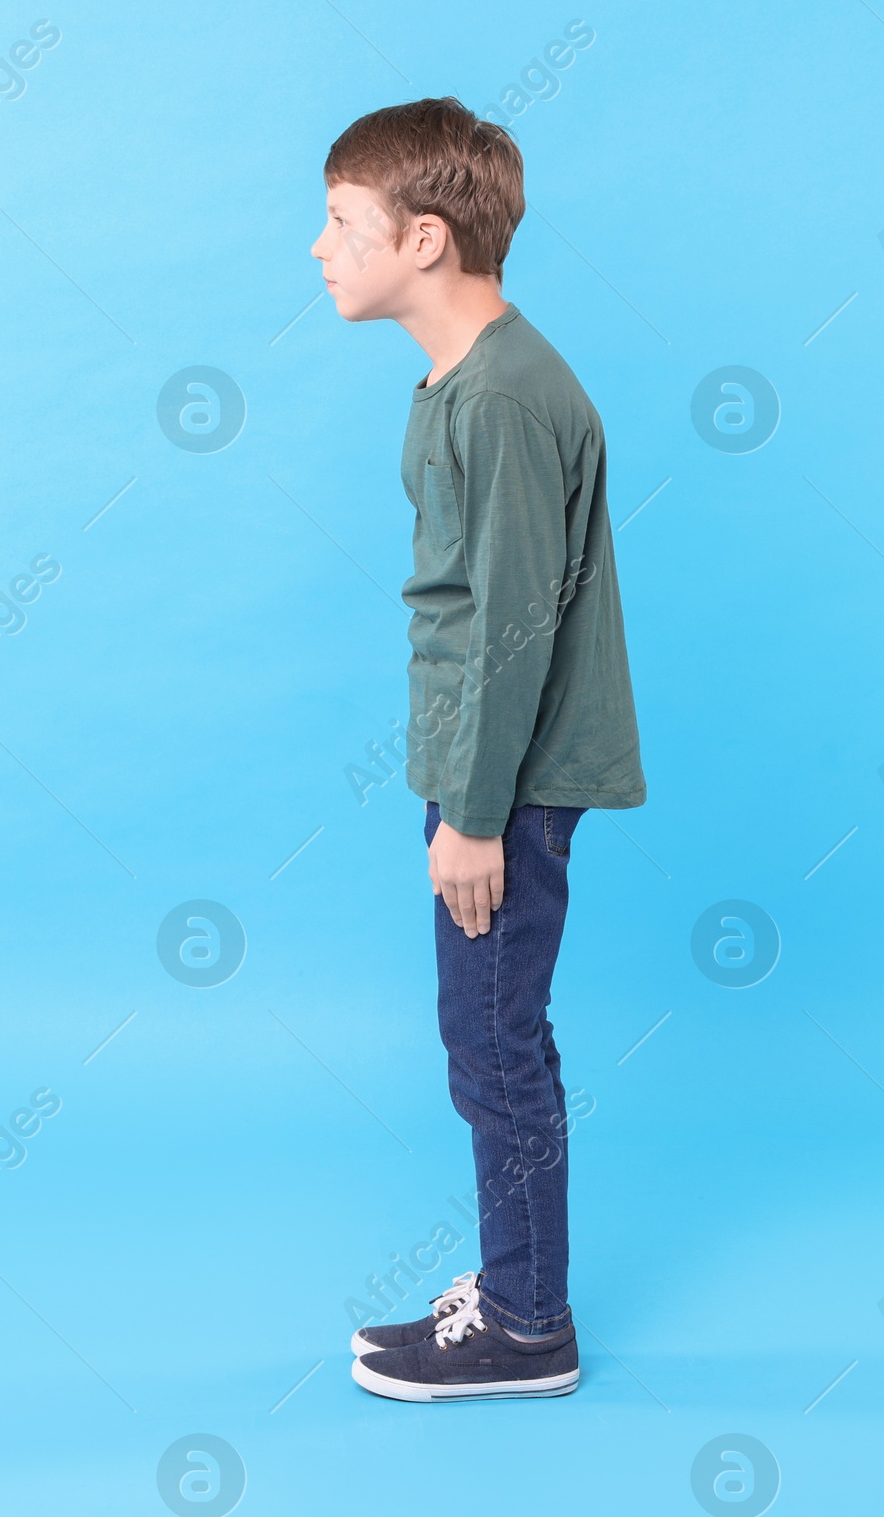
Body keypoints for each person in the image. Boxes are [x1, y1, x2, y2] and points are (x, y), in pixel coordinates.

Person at [311, 97, 646, 1401]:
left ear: (428, 240)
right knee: (492, 1038)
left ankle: (523, 1326)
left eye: (344, 223)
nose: (322, 248)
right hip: (484, 780)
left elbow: (509, 628)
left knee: (496, 1045)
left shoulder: (502, 402)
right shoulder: (472, 380)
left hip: (502, 791)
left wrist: (476, 818)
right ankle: (518, 1296)